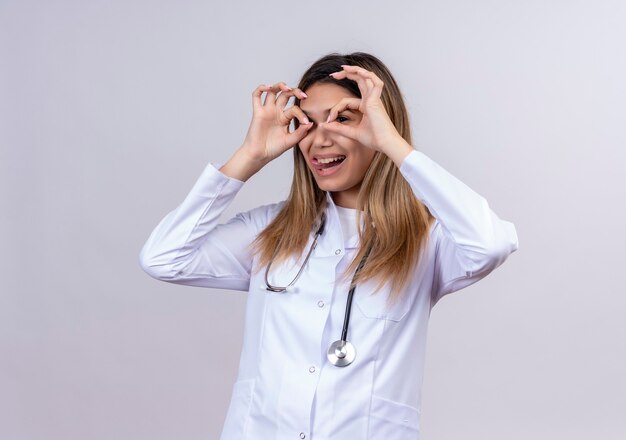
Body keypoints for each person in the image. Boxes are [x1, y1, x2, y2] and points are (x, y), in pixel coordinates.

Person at [138, 51, 519, 440]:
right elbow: (163, 258)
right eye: (308, 123)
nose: (319, 140)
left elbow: (490, 244)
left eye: (343, 120)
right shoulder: (269, 230)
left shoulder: (425, 240)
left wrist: (393, 145)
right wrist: (248, 157)